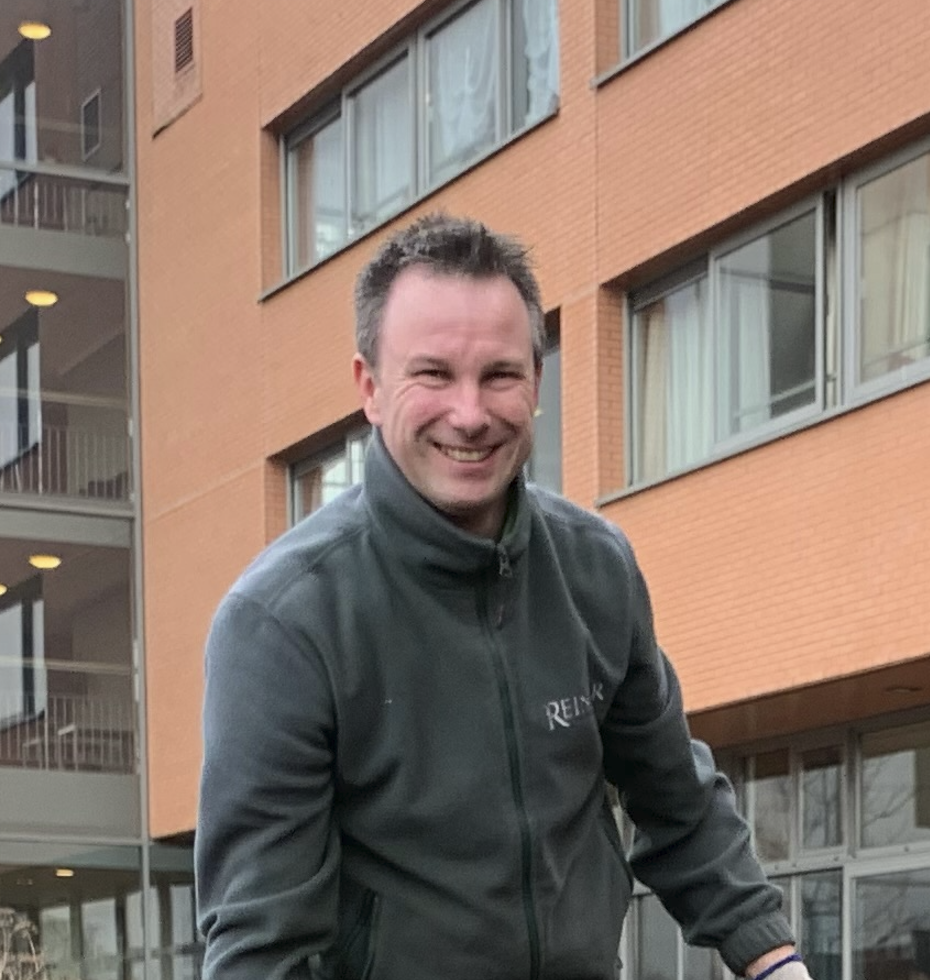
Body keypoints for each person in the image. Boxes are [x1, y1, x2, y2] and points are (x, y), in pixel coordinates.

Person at [195, 214, 813, 980]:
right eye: (433, 374)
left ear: (537, 383)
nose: (469, 414)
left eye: (499, 375)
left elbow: (677, 801)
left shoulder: (596, 569)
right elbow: (260, 949)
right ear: (370, 388)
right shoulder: (283, 624)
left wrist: (775, 962)